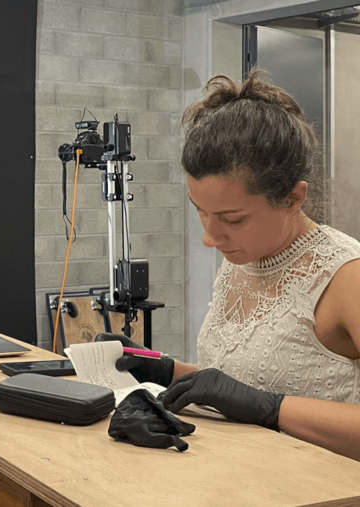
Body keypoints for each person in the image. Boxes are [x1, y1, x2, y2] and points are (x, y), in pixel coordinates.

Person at [100, 68, 360, 461]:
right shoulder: (242, 260)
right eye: (201, 212)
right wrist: (168, 371)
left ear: (293, 198)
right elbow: (239, 385)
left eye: (233, 219)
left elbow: (253, 397)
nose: (210, 237)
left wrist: (270, 407)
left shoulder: (345, 277)